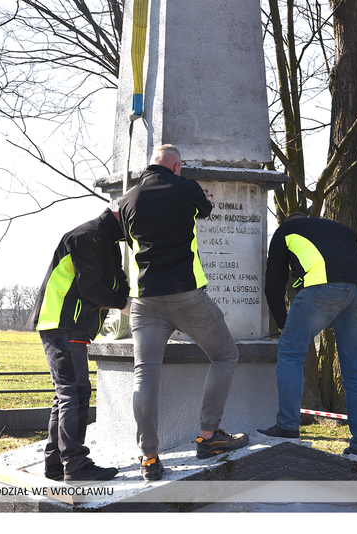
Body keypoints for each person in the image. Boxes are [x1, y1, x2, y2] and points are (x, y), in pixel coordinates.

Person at [116, 144, 249, 481]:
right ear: (177, 167)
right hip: (187, 296)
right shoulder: (186, 186)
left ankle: (149, 457)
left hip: (144, 302)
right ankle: (208, 436)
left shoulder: (127, 200)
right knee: (225, 355)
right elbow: (205, 210)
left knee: (145, 377)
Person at [258, 213, 357, 462]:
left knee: (290, 352)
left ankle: (288, 428)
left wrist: (283, 325)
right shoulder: (339, 228)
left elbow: (274, 286)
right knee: (356, 371)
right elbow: (344, 263)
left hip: (324, 284)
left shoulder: (286, 231)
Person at [30, 208, 130, 482]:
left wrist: (130, 298)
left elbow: (117, 283)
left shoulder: (107, 242)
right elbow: (91, 288)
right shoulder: (87, 236)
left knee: (66, 395)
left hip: (69, 325)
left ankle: (56, 464)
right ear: (122, 214)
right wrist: (125, 305)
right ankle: (75, 465)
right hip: (65, 323)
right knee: (74, 393)